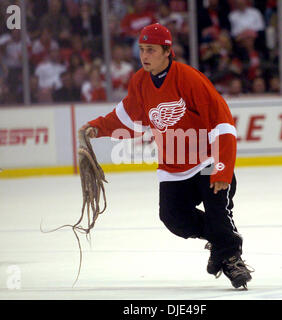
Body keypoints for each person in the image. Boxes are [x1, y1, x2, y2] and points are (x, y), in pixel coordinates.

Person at [79, 23, 253, 289]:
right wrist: (98, 127)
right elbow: (127, 118)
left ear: (167, 51)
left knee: (218, 212)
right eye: (141, 50)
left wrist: (221, 168)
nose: (144, 56)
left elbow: (223, 123)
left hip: (207, 161)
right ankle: (225, 240)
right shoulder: (140, 81)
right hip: (173, 167)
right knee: (173, 218)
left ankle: (231, 259)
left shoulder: (190, 78)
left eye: (150, 50)